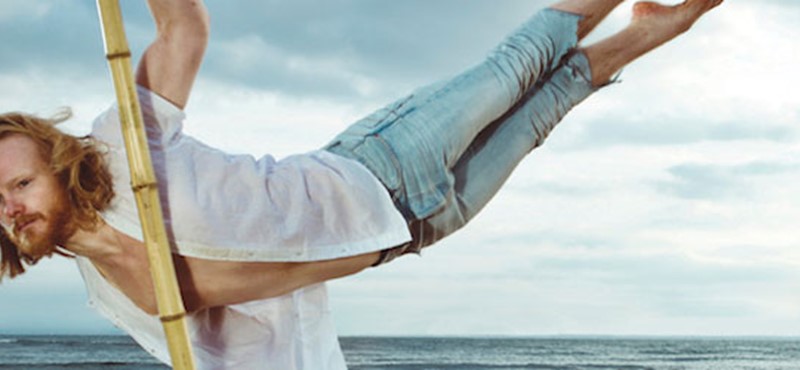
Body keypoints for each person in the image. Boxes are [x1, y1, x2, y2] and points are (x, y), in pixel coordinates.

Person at [0, 0, 722, 368]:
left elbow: (182, 28)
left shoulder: (123, 145)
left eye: (20, 183)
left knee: (522, 60)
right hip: (409, 233)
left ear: (55, 162)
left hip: (375, 166)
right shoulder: (109, 299)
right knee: (547, 107)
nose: (11, 207)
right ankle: (672, 16)